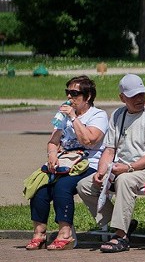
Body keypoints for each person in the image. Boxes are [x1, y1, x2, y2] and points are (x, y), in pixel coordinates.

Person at [77, 74, 145, 253]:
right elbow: (109, 150)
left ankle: (120, 236)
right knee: (85, 186)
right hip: (121, 168)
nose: (139, 99)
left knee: (124, 181)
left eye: (141, 94)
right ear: (122, 98)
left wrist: (128, 168)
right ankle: (122, 223)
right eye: (134, 95)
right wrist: (101, 172)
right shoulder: (118, 114)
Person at [26, 76, 108, 251]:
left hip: (88, 162)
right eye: (68, 93)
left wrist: (73, 117)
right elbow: (53, 141)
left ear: (88, 97)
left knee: (62, 186)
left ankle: (66, 234)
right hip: (65, 162)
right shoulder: (62, 116)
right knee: (40, 186)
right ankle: (39, 234)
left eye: (75, 93)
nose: (70, 97)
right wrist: (52, 155)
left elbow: (90, 141)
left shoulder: (98, 115)